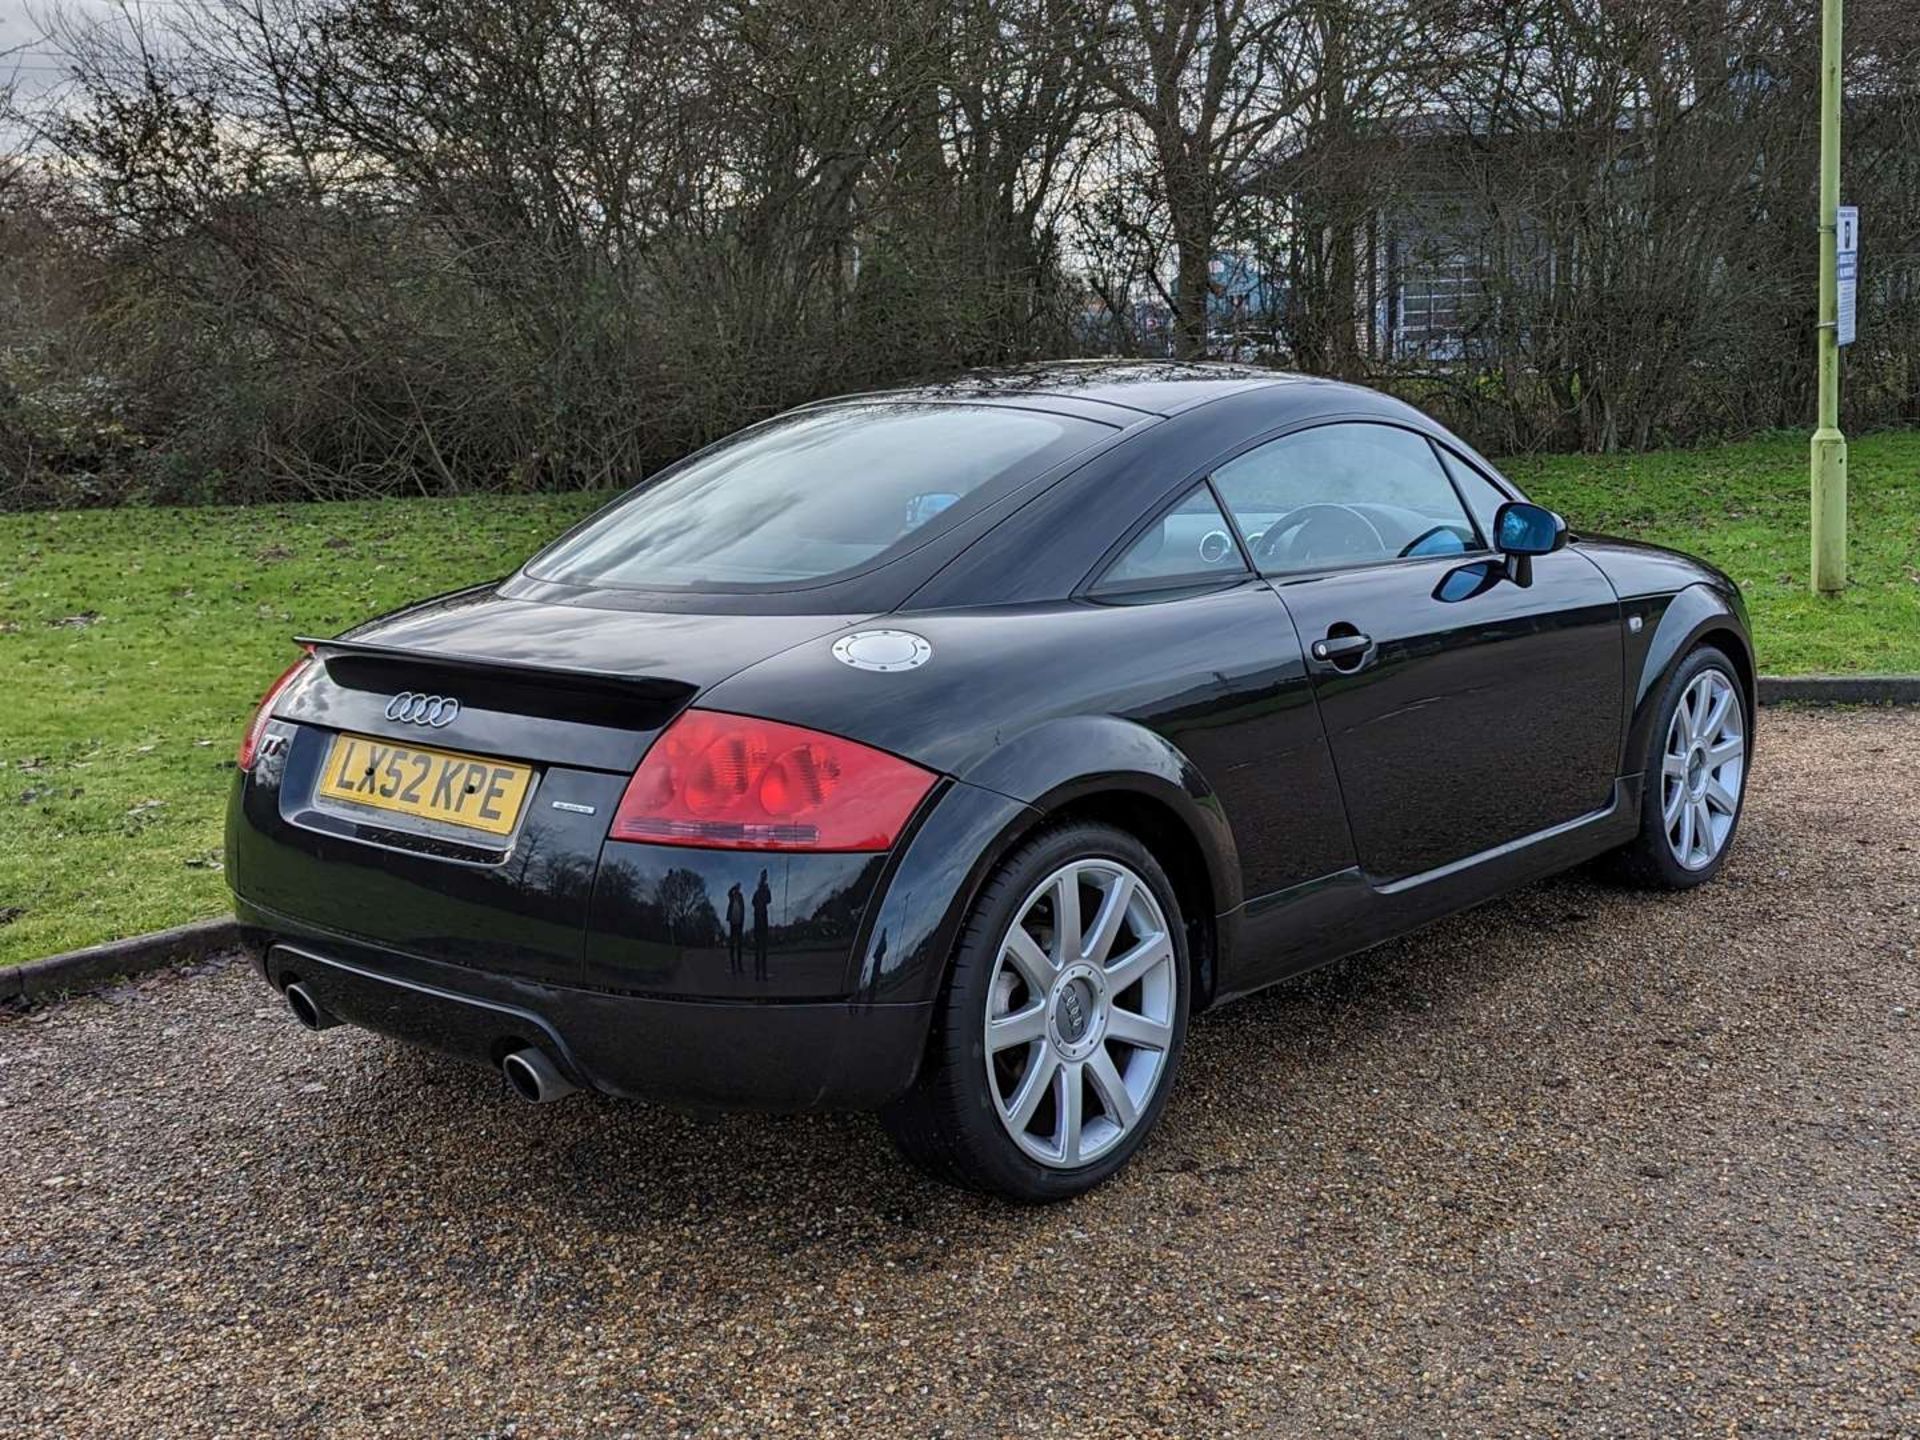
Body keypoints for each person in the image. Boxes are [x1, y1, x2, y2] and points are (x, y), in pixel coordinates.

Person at [751, 869, 773, 982]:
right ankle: (759, 974)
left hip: (761, 920)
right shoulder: (758, 892)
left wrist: (766, 890)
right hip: (760, 920)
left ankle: (761, 974)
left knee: (762, 949)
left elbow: (769, 900)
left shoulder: (763, 891)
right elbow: (755, 902)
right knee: (760, 949)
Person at [725, 882, 746, 975]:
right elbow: (728, 892)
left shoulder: (741, 897)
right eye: (737, 889)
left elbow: (743, 908)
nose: (738, 890)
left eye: (738, 888)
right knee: (732, 945)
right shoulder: (732, 896)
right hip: (733, 922)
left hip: (739, 923)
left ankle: (740, 966)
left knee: (739, 945)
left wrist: (742, 920)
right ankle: (733, 967)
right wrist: (734, 886)